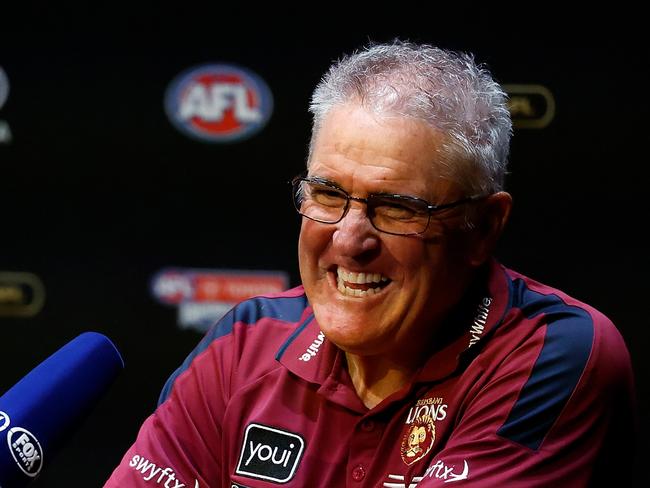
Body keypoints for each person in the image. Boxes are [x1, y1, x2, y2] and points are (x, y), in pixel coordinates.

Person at [105, 41, 637, 487]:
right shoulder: (246, 342)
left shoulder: (555, 350)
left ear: (484, 227)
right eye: (328, 195)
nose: (349, 239)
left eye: (397, 207)